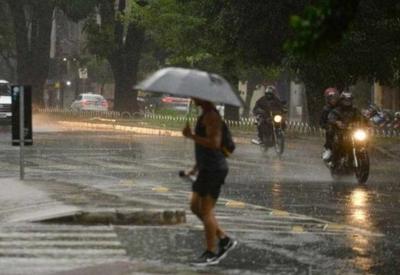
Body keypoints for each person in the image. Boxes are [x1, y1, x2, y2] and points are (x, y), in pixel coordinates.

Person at [182, 97, 237, 266]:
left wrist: (191, 136)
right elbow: (204, 149)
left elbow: (214, 143)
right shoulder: (203, 115)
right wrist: (195, 168)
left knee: (205, 210)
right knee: (194, 206)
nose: (193, 98)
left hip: (215, 169)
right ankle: (223, 238)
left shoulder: (212, 116)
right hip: (206, 168)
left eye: (195, 96)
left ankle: (211, 252)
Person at [320, 87, 340, 162]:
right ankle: (329, 149)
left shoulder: (343, 108)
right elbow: (322, 122)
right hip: (334, 130)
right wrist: (328, 125)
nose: (333, 100)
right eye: (331, 99)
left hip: (345, 129)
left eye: (334, 98)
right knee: (330, 133)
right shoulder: (326, 109)